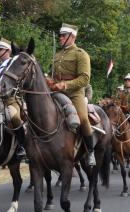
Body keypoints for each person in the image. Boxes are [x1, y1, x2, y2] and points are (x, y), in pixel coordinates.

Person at [46, 23, 95, 166]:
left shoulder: (81, 54)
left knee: (83, 118)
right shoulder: (57, 55)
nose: (60, 38)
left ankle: (90, 152)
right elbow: (52, 74)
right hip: (55, 91)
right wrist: (49, 80)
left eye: (63, 35)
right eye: (60, 35)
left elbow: (85, 78)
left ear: (72, 37)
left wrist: (65, 84)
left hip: (74, 94)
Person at [0, 38, 27, 160]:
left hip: (10, 99)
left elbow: (8, 85)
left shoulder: (12, 64)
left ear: (7, 51)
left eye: (0, 49)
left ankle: (22, 146)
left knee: (13, 116)